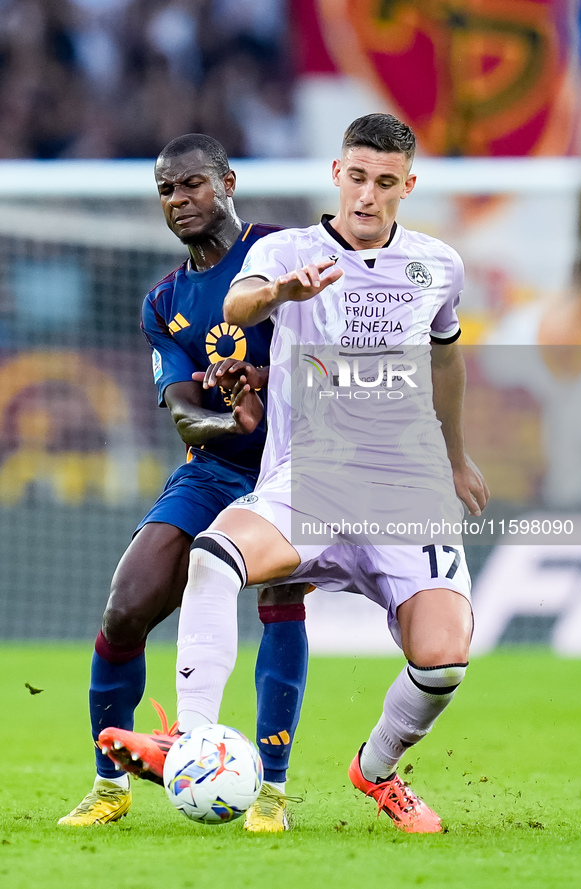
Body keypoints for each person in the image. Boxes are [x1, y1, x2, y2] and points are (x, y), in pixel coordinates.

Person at [101, 114, 489, 833]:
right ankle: (191, 740)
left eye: (384, 183)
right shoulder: (286, 250)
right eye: (356, 178)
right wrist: (283, 294)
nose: (366, 197)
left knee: (442, 662)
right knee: (213, 558)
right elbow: (237, 303)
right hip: (309, 480)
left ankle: (374, 769)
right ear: (336, 174)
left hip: (407, 494)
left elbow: (445, 355)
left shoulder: (438, 263)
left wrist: (457, 453)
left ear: (407, 185)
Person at [59, 133, 309, 832]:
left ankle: (270, 791)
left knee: (282, 595)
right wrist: (232, 420)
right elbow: (181, 413)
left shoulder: (280, 254)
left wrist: (271, 392)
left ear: (227, 182)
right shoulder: (163, 300)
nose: (179, 200)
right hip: (218, 469)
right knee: (125, 608)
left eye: (192, 184)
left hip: (296, 466)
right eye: (166, 191)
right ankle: (110, 785)